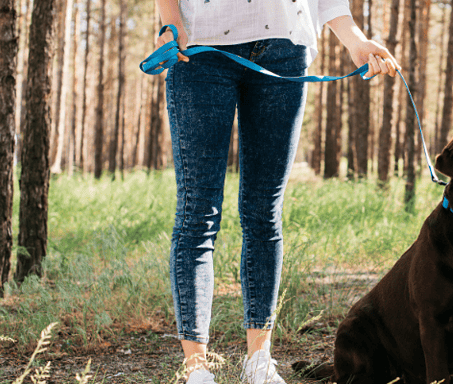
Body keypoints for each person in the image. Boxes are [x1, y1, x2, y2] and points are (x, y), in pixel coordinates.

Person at [155, 0, 400, 383]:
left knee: (263, 212)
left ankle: (258, 361)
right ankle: (197, 369)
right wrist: (170, 23)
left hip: (283, 47)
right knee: (196, 212)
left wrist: (354, 40)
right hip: (199, 48)